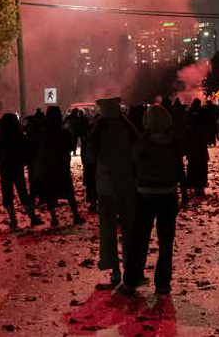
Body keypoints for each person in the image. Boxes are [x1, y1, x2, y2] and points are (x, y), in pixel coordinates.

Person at [119, 104, 187, 298]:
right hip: (168, 194)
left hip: (145, 194)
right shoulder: (173, 143)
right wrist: (183, 191)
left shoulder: (142, 143)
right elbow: (179, 168)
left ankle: (131, 279)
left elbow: (133, 166)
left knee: (139, 239)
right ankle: (162, 283)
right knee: (166, 241)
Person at [89, 97, 138, 288]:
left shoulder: (98, 132)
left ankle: (115, 271)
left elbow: (90, 157)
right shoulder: (128, 129)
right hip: (127, 185)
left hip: (106, 187)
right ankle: (130, 268)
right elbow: (136, 154)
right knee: (129, 229)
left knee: (108, 230)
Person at [32, 104, 84, 228]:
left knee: (50, 193)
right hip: (62, 167)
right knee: (68, 192)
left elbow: (38, 148)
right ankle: (75, 215)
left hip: (48, 167)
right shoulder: (63, 132)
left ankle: (54, 218)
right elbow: (71, 146)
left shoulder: (44, 133)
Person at [0, 112, 43, 230]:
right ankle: (32, 217)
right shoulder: (18, 135)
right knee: (23, 192)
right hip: (16, 166)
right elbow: (27, 148)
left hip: (4, 167)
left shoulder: (1, 137)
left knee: (7, 194)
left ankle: (13, 221)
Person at [185, 99, 209, 197]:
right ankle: (200, 186)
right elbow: (207, 126)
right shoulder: (203, 113)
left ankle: (193, 185)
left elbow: (186, 127)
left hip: (192, 145)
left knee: (192, 165)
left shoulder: (189, 114)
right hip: (201, 144)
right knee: (202, 166)